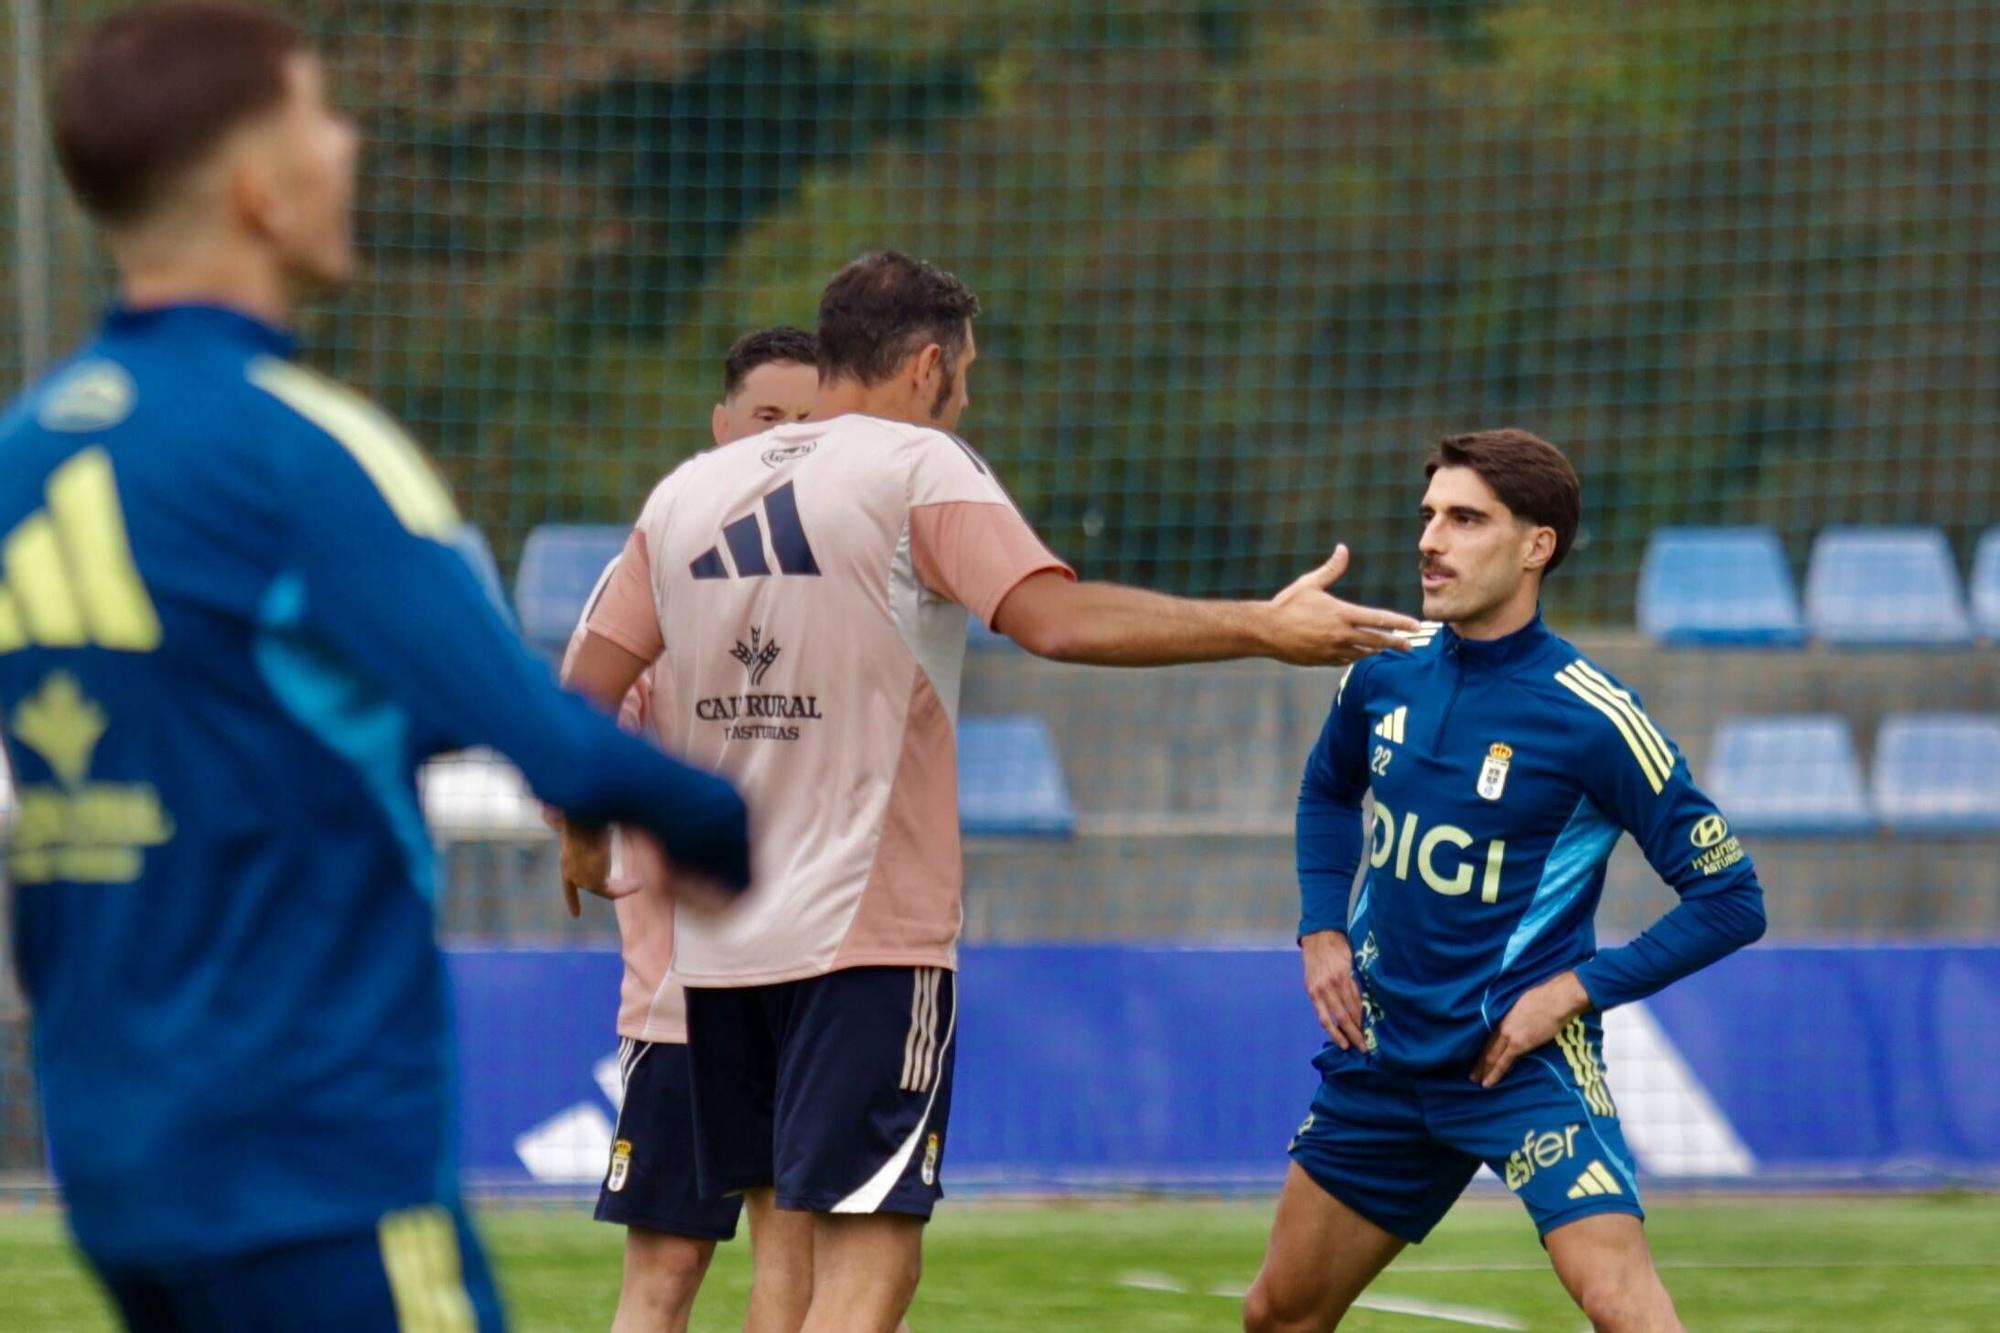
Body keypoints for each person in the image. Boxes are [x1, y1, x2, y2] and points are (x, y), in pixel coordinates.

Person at [0, 7, 749, 1331]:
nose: (348, 146)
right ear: (258, 188)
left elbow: (229, 724)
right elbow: (557, 742)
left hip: (116, 1158)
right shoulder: (304, 453)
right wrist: (730, 826)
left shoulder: (27, 454)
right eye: (319, 119)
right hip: (311, 1154)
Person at [561, 250, 1421, 1332]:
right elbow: (1050, 620)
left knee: (789, 1258)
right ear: (925, 365)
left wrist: (585, 840)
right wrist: (1260, 624)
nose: (963, 399)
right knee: (868, 1270)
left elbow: (585, 698)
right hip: (863, 939)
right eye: (962, 377)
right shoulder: (921, 467)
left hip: (721, 954)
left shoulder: (685, 491)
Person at [1243, 429, 1768, 1333]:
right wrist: (1321, 926)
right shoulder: (1382, 669)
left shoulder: (1595, 717)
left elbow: (1732, 898)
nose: (1429, 540)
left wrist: (1571, 991)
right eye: (1429, 516)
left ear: (1537, 546)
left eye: (1465, 519)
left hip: (1521, 1065)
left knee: (1623, 1308)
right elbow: (1328, 790)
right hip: (1384, 1055)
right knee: (1278, 1316)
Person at [560, 327, 820, 1333]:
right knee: (663, 1274)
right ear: (719, 428)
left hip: (805, 983)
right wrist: (593, 832)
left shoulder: (844, 575)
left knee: (791, 1264)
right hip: (681, 993)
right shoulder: (659, 559)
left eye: (810, 423)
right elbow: (581, 729)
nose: (786, 441)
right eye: (767, 418)